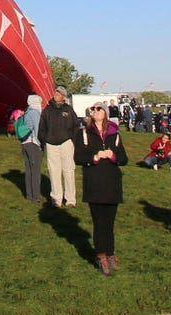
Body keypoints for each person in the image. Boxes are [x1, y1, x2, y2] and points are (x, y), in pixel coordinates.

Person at [73, 101, 125, 275]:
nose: (94, 111)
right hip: (94, 183)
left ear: (105, 112)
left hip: (112, 183)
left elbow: (124, 159)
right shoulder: (84, 133)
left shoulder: (114, 133)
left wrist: (113, 155)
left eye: (98, 108)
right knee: (99, 222)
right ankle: (101, 255)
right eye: (92, 109)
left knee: (109, 222)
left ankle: (110, 253)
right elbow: (78, 157)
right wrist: (94, 156)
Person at [39, 87, 80, 209]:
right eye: (56, 92)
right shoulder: (47, 110)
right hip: (51, 144)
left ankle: (70, 199)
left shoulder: (68, 110)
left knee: (69, 170)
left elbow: (76, 126)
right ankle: (56, 198)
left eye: (60, 93)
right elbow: (42, 127)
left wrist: (72, 140)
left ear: (64, 96)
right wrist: (45, 140)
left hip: (66, 143)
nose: (56, 94)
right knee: (54, 171)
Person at [17, 95, 45, 202]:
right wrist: (41, 144)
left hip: (25, 144)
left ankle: (29, 195)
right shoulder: (35, 113)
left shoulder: (27, 112)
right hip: (33, 144)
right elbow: (38, 130)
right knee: (36, 171)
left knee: (28, 170)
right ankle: (35, 196)